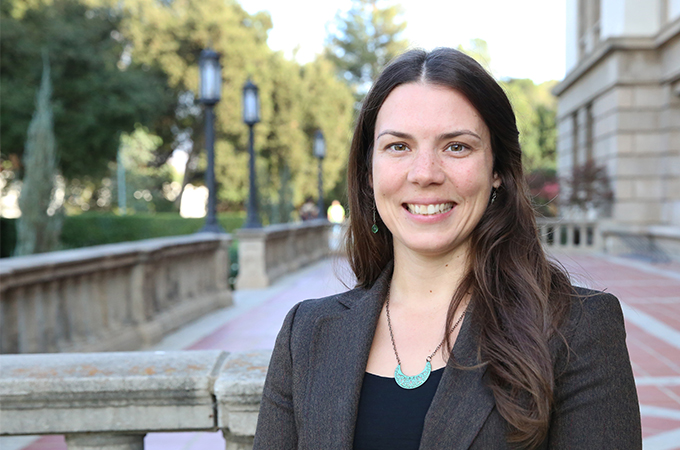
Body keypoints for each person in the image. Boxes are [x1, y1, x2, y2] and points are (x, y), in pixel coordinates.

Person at [254, 48, 641, 449]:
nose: (425, 174)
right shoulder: (307, 333)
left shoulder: (576, 328)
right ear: (368, 172)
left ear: (497, 172)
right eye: (398, 146)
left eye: (456, 146)